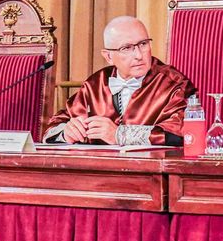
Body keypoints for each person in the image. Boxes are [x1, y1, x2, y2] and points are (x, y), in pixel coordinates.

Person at [43, 16, 196, 145]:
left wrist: (119, 135)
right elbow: (52, 127)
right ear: (108, 56)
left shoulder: (173, 83)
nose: (138, 55)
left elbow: (184, 133)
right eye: (126, 48)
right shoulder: (95, 84)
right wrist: (66, 132)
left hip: (150, 175)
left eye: (143, 44)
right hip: (99, 172)